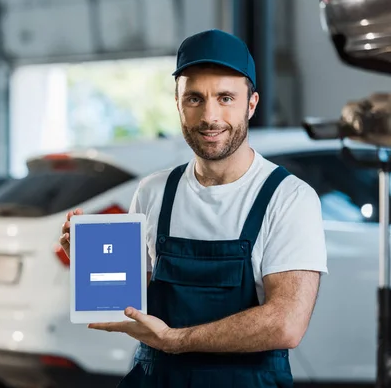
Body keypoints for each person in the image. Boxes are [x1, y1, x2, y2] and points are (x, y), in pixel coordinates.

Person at [59, 29, 327, 387]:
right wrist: (93, 261)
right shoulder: (153, 191)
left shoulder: (289, 198)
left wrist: (176, 341)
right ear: (178, 103)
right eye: (195, 99)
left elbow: (286, 323)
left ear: (252, 104)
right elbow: (129, 299)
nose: (209, 116)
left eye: (226, 98)